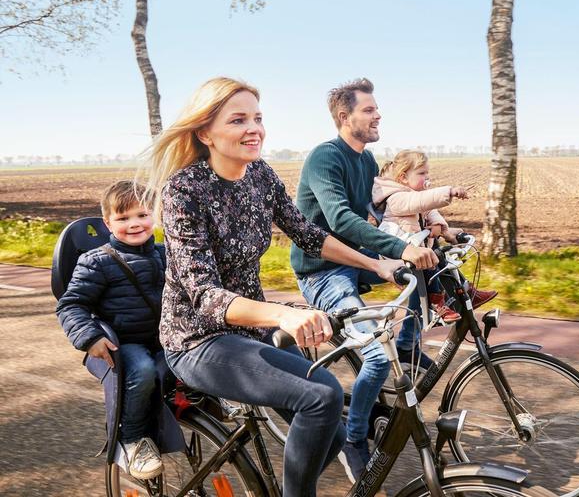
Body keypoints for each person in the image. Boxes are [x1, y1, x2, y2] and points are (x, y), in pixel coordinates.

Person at [143, 77, 402, 497]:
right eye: (239, 119)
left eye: (258, 118)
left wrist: (379, 263)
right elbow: (205, 295)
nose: (254, 129)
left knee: (332, 432)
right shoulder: (184, 191)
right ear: (205, 132)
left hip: (251, 330)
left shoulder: (259, 175)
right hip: (198, 340)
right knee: (321, 395)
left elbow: (309, 234)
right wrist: (285, 313)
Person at [290, 77, 439, 481]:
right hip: (323, 272)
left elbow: (378, 215)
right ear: (345, 116)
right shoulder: (326, 158)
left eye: (377, 109)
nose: (378, 115)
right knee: (375, 355)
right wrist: (395, 252)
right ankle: (354, 439)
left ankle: (399, 362)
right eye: (369, 110)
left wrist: (425, 235)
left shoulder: (367, 161)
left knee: (419, 282)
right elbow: (340, 220)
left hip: (356, 262)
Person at [56, 180, 166, 480]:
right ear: (108, 223)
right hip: (124, 343)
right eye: (123, 218)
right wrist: (89, 337)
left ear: (154, 215)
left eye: (142, 215)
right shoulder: (97, 261)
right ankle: (132, 440)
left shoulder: (165, 254)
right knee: (143, 371)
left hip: (166, 337)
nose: (134, 224)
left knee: (200, 358)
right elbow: (71, 305)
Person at [372, 149, 498, 325]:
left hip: (418, 246)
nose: (427, 177)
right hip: (401, 251)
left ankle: (467, 291)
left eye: (427, 172)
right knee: (432, 262)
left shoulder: (412, 195)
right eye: (422, 173)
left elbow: (429, 210)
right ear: (403, 178)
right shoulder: (397, 198)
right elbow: (422, 202)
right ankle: (436, 304)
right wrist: (450, 191)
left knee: (440, 260)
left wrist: (440, 226)